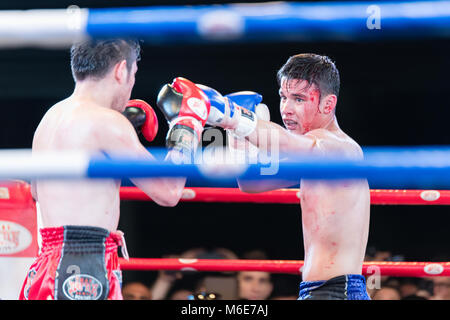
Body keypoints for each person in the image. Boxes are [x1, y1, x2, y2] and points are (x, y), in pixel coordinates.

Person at [19, 39, 211, 300]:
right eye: (134, 74)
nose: (132, 84)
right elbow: (169, 192)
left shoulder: (50, 118)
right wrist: (187, 126)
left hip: (46, 268)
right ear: (121, 70)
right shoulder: (108, 122)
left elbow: (39, 194)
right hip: (83, 267)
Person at [201, 53, 371, 300]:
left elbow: (285, 142)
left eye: (299, 99)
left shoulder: (339, 148)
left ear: (328, 104)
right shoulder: (309, 156)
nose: (287, 109)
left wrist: (231, 115)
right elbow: (251, 182)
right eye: (283, 97)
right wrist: (236, 131)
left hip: (337, 291)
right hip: (319, 290)